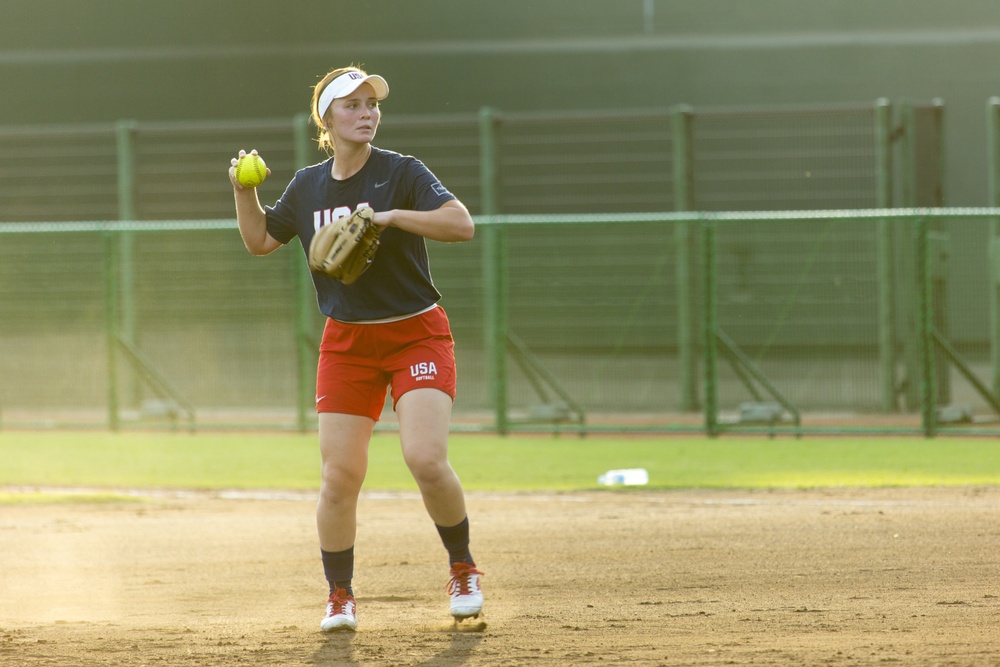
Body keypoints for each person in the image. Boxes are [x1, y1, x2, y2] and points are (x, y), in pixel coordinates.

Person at [228, 65, 483, 632]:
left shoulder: (401, 173)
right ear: (327, 119)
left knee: (424, 458)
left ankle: (463, 568)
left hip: (415, 330)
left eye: (372, 104)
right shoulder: (308, 186)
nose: (366, 112)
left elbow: (460, 224)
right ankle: (339, 595)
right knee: (339, 476)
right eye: (353, 105)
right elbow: (260, 240)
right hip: (347, 341)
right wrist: (244, 191)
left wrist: (390, 217)